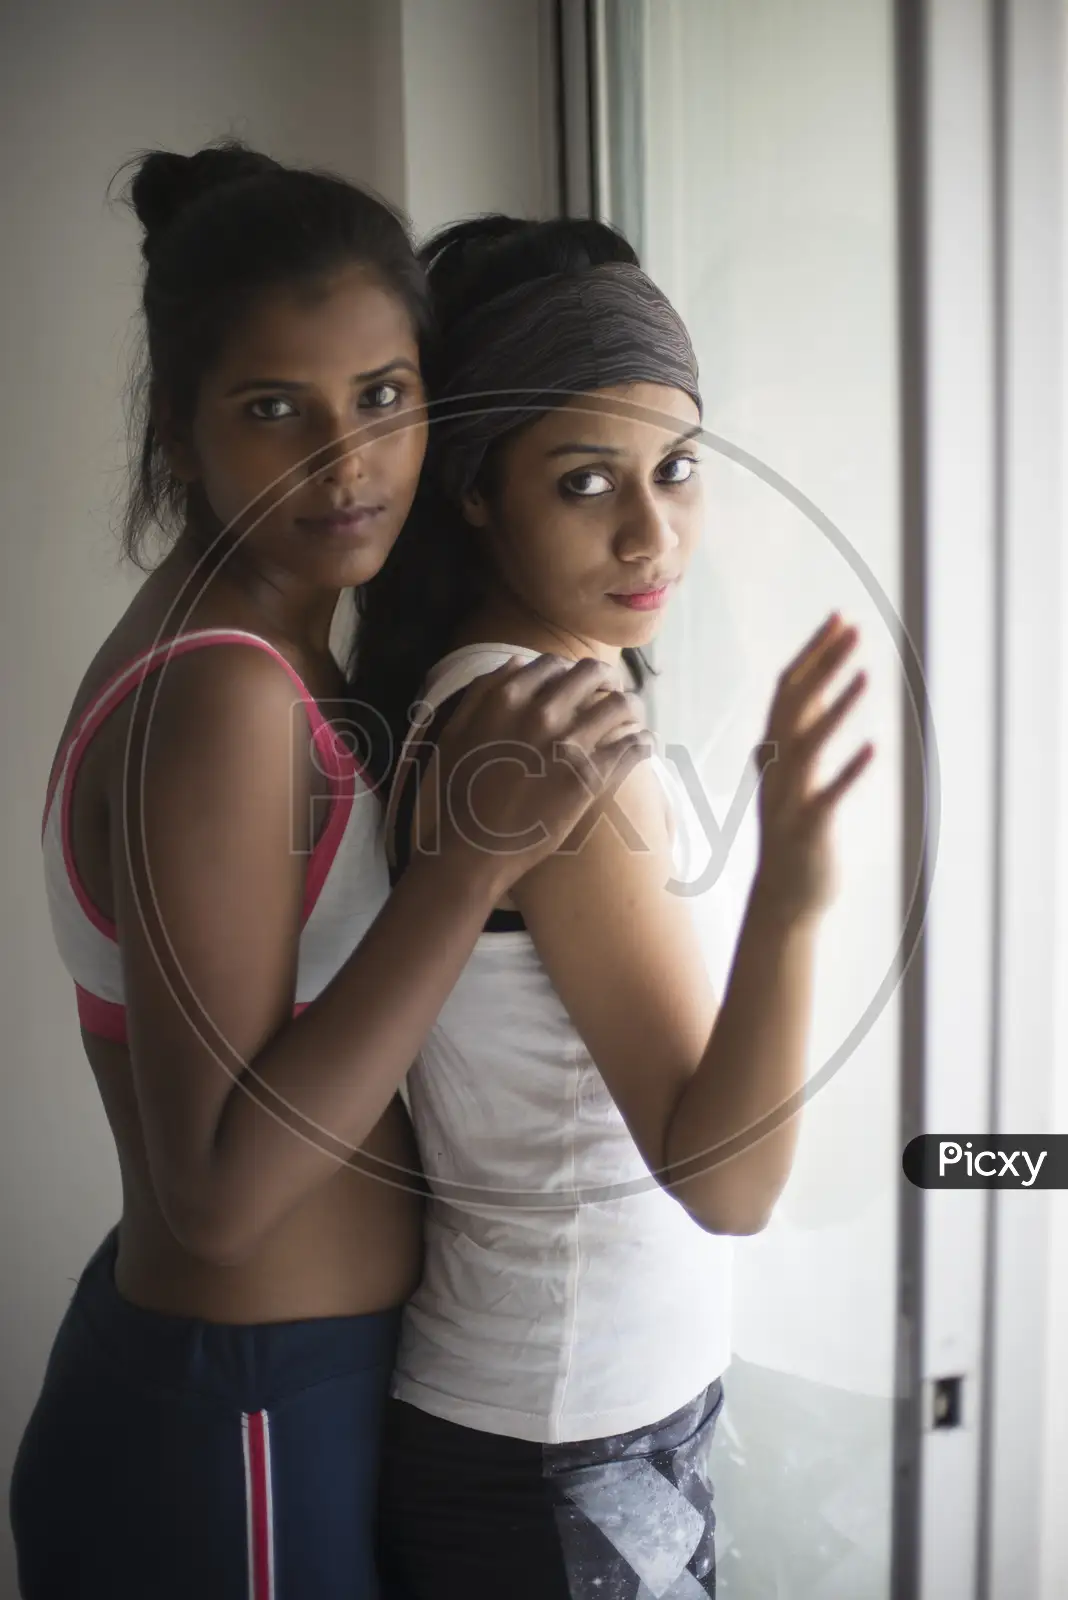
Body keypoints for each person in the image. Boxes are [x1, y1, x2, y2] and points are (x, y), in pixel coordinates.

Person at [9, 151, 649, 1600]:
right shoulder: (224, 695)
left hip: (267, 1389)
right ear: (178, 434)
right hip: (241, 1410)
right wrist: (461, 871)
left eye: (381, 396)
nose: (346, 463)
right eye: (271, 411)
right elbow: (220, 1203)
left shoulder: (263, 645)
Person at [351, 215, 875, 1600]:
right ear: (478, 488)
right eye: (588, 482)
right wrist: (795, 896)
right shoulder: (548, 739)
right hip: (556, 1439)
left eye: (679, 469)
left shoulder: (498, 695)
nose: (654, 531)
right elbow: (728, 1179)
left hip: (555, 1418)